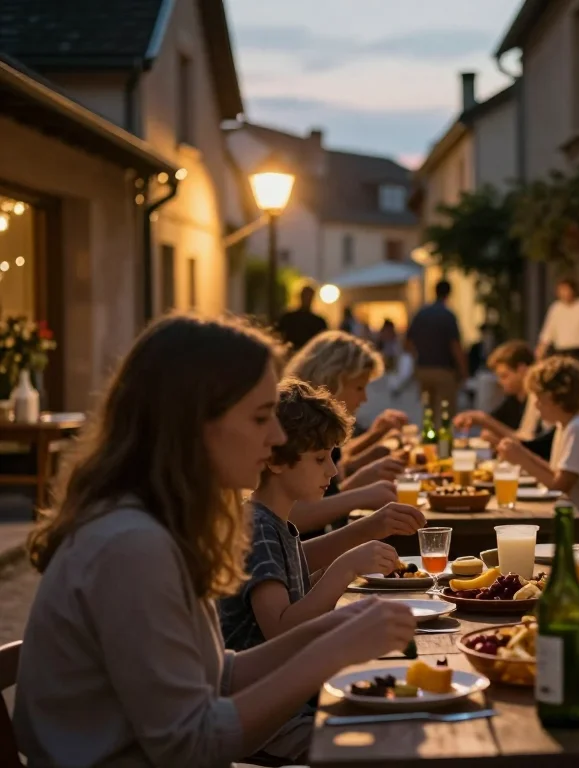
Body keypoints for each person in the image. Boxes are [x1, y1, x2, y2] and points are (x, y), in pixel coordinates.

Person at [13, 314, 416, 767]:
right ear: (198, 421)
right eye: (261, 416)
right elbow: (193, 747)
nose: (279, 436)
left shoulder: (158, 525)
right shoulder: (131, 546)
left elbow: (219, 676)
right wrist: (329, 652)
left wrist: (333, 626)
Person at [219, 377, 424, 762]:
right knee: (387, 746)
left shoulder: (276, 523)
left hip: (293, 698)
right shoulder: (257, 527)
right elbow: (281, 628)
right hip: (273, 715)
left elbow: (295, 597)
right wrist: (343, 570)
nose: (332, 470)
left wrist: (351, 566)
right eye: (320, 458)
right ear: (276, 460)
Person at [284, 331, 409, 534]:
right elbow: (291, 516)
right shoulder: (296, 425)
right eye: (359, 387)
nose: (364, 398)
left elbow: (335, 476)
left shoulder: (316, 423)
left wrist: (373, 441)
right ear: (332, 381)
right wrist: (360, 491)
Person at [497, 355, 579, 515]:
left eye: (538, 397)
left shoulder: (578, 428)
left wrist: (520, 457)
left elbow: (559, 485)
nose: (536, 405)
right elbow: (556, 473)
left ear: (553, 397)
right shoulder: (565, 425)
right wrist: (520, 453)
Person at [454, 340, 548, 451]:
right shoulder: (513, 399)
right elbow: (495, 424)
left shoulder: (536, 398)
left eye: (504, 376)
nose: (500, 382)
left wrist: (483, 420)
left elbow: (527, 439)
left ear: (522, 370)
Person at [406, 280, 467, 416]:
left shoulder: (421, 314)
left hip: (423, 370)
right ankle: (443, 437)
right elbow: (455, 346)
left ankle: (429, 436)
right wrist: (464, 372)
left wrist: (420, 355)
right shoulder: (448, 315)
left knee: (428, 412)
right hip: (444, 370)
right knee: (445, 413)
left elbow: (407, 344)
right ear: (449, 294)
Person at [536, 277, 579, 363]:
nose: (564, 293)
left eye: (566, 289)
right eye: (561, 290)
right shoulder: (556, 308)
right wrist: (541, 350)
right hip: (561, 352)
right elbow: (548, 333)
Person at [275, 284, 327, 352]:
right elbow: (278, 336)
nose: (307, 299)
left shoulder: (319, 321)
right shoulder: (288, 317)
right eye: (305, 296)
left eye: (309, 296)